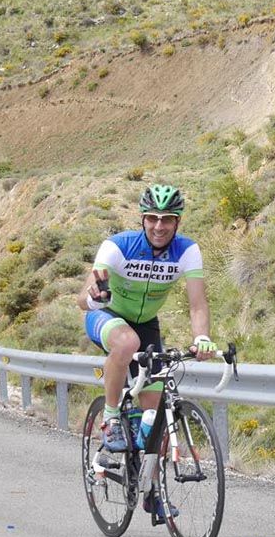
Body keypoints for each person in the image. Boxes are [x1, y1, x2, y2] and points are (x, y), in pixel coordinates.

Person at [77, 184, 217, 517]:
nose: (159, 226)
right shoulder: (118, 246)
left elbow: (197, 304)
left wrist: (202, 337)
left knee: (155, 418)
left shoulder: (187, 251)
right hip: (106, 316)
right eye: (152, 218)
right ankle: (111, 417)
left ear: (177, 221)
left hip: (146, 325)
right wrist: (94, 298)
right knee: (127, 343)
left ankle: (152, 491)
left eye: (167, 219)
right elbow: (82, 299)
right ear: (142, 219)